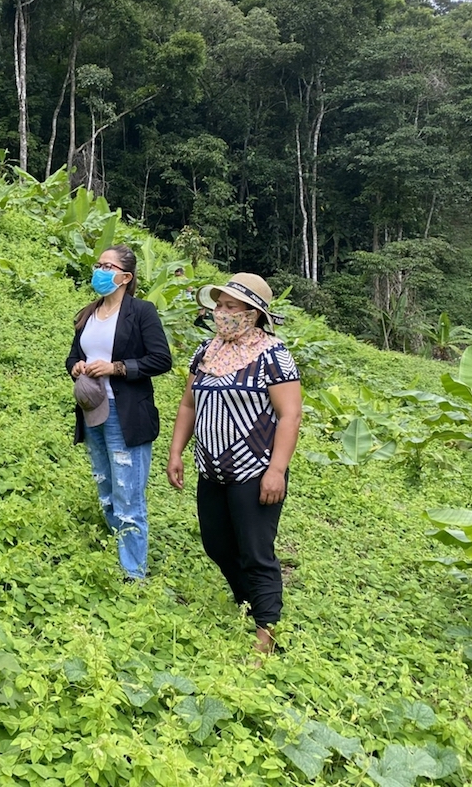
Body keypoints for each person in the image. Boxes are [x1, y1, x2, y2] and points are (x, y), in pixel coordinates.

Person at [165, 273, 302, 659]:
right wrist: (176, 452)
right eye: (219, 306)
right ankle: (248, 601)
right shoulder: (206, 352)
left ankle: (267, 630)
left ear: (254, 314)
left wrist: (276, 470)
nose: (221, 314)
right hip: (211, 468)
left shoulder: (273, 355)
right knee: (216, 543)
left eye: (231, 307)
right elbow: (188, 405)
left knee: (256, 551)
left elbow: (289, 415)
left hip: (255, 470)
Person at [66, 245, 173, 580]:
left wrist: (116, 368)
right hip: (92, 409)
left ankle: (134, 573)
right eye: (98, 264)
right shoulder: (88, 313)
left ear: (125, 276)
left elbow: (161, 359)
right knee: (106, 484)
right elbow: (72, 356)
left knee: (128, 492)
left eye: (107, 266)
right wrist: (77, 366)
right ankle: (118, 548)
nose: (99, 270)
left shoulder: (141, 312)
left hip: (125, 413)